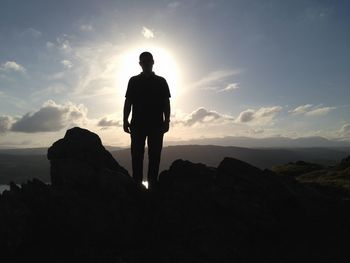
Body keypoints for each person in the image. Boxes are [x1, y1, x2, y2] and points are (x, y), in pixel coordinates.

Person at [123, 51, 171, 190]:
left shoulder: (161, 81)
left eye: (148, 60)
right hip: (137, 124)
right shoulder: (133, 81)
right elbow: (128, 102)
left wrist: (167, 120)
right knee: (137, 155)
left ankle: (152, 185)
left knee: (155, 155)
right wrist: (125, 120)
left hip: (156, 125)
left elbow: (166, 103)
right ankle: (137, 184)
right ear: (140, 64)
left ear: (153, 62)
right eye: (143, 61)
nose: (146, 63)